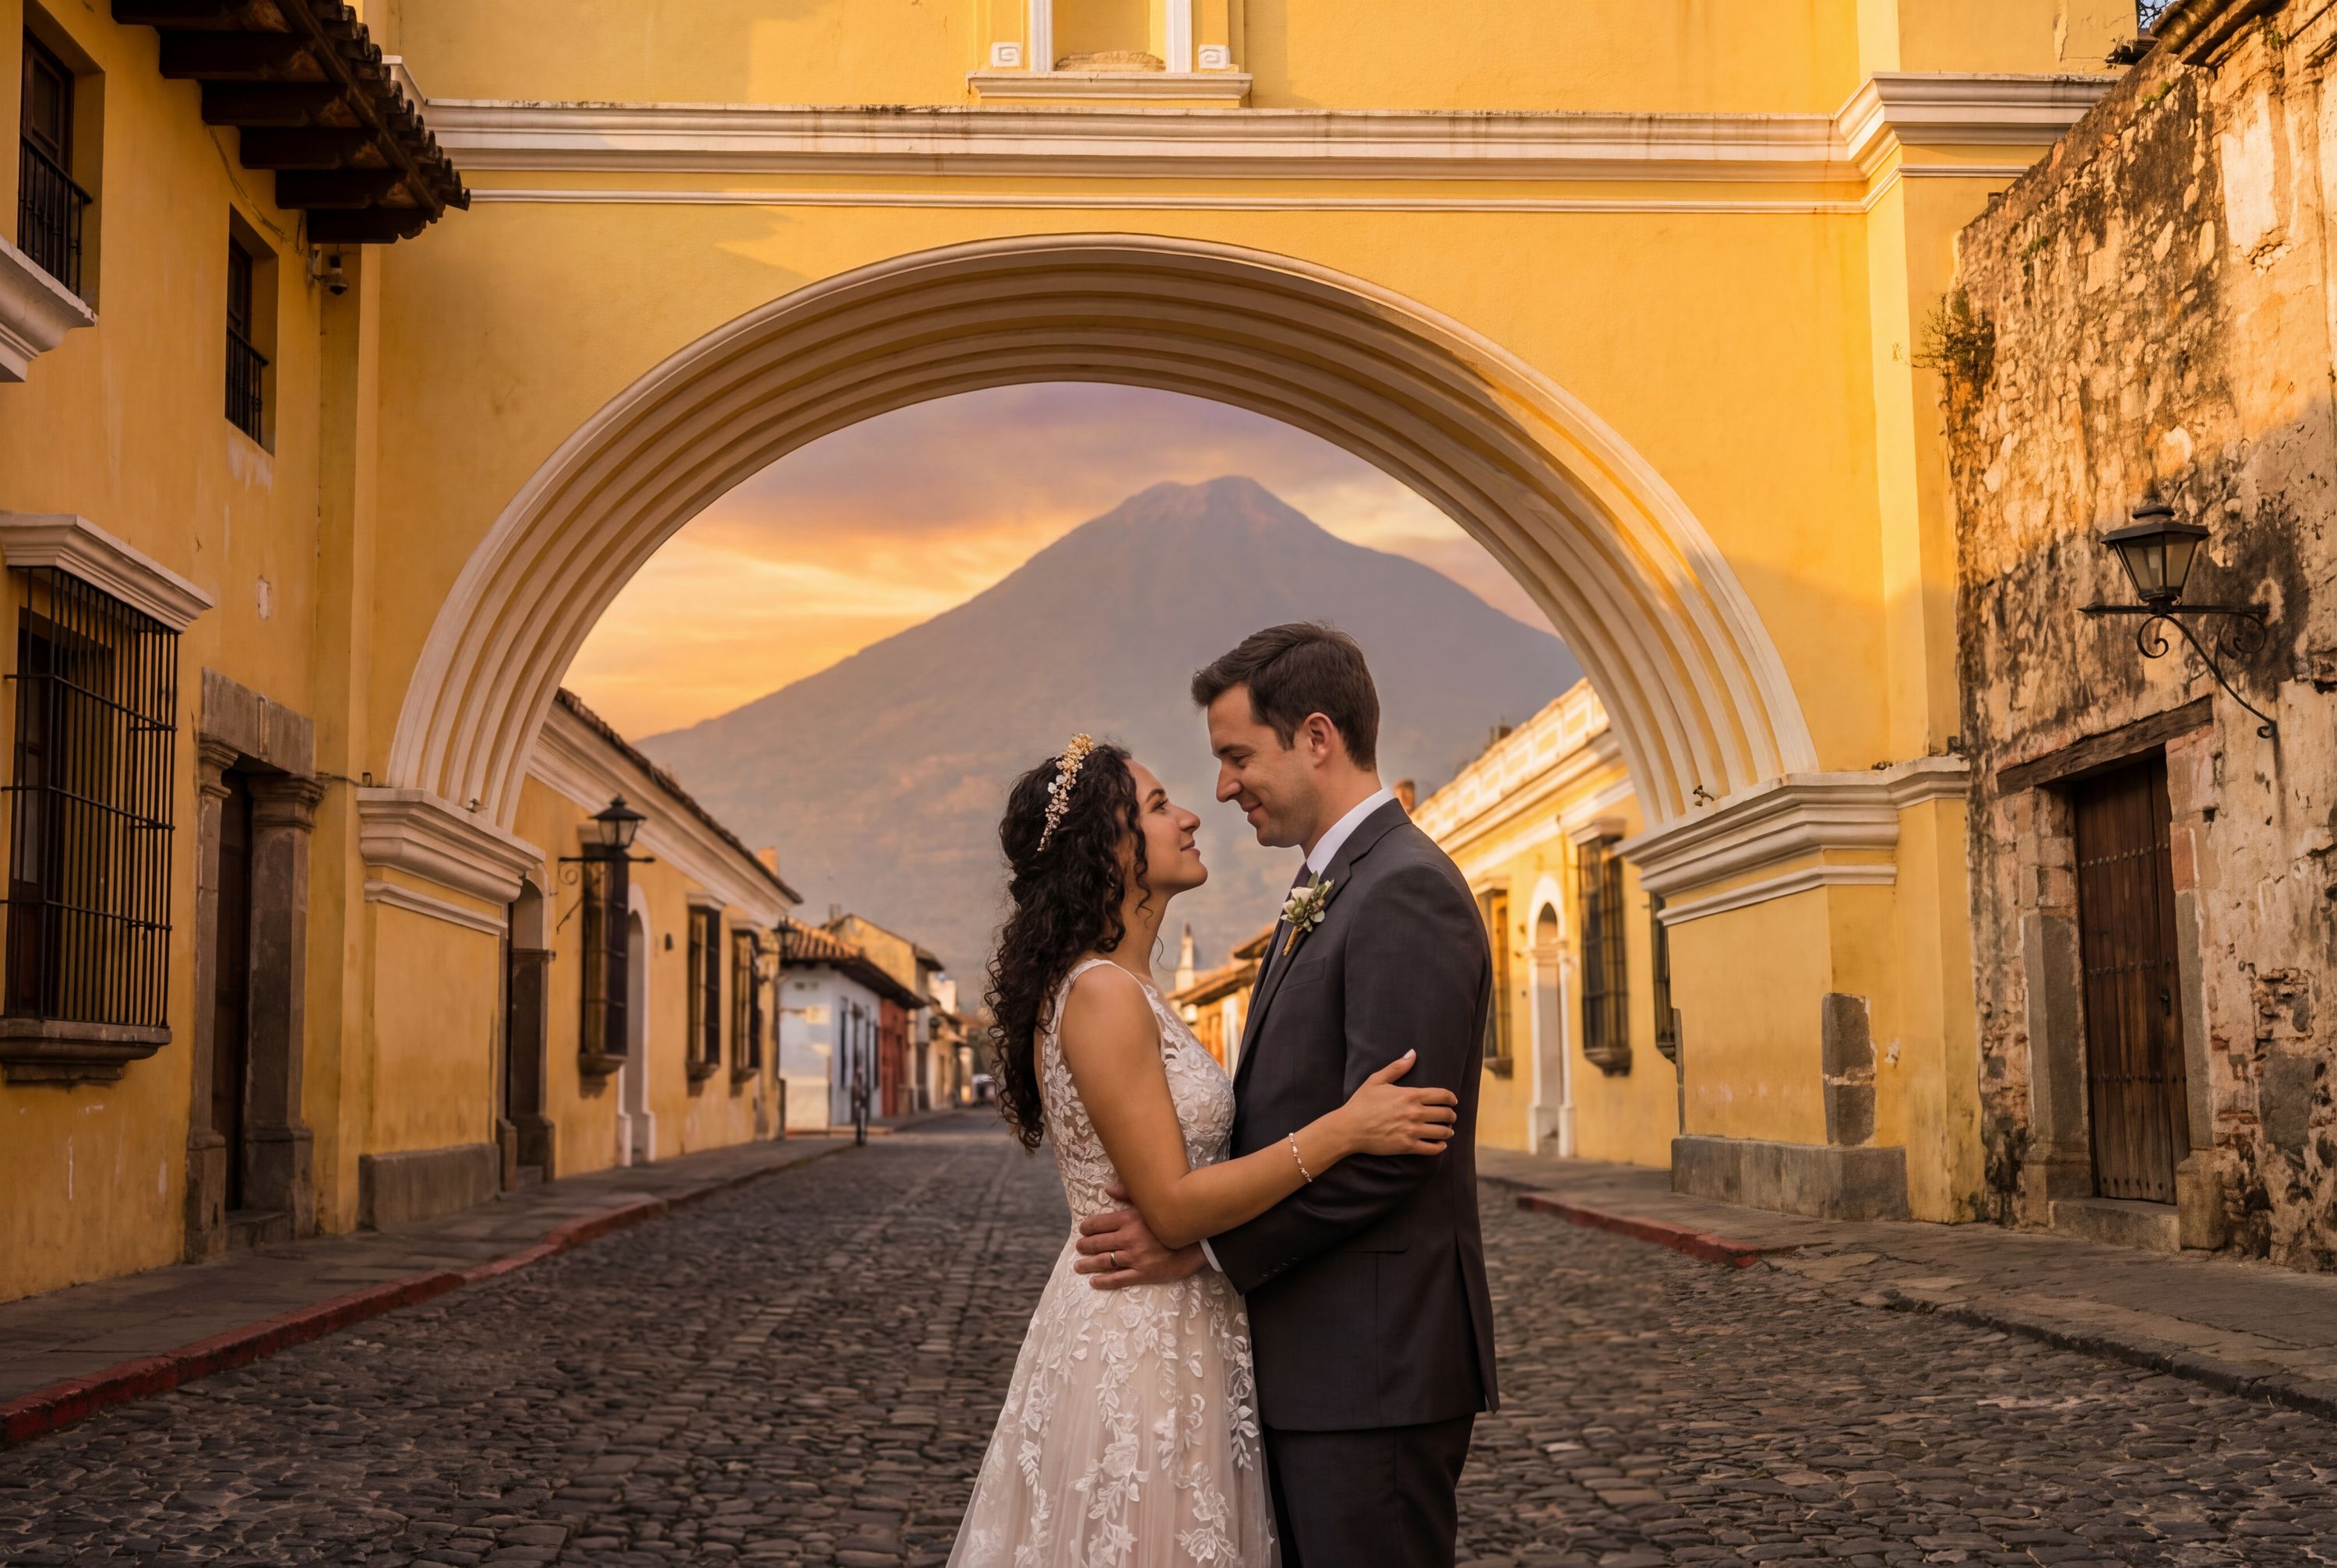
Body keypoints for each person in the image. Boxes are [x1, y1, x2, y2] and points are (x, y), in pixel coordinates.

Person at [947, 730, 1459, 1567]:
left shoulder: (1130, 984)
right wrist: (1345, 1128)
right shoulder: (1103, 995)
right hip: (1137, 1335)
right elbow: (1173, 1205)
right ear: (1108, 852)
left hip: (1181, 1322)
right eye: (1156, 807)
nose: (1189, 815)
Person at [1072, 623, 1499, 1567]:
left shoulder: (1401, 891)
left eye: (1235, 756)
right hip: (1319, 1365)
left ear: (1315, 737)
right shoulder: (1334, 885)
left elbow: (1396, 1148)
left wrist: (1205, 1246)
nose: (1222, 789)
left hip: (1371, 1367)